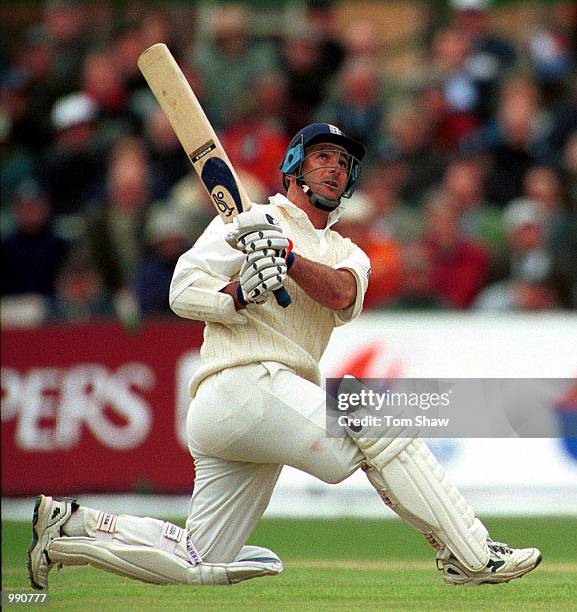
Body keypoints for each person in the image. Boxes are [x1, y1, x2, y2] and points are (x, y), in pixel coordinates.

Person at [28, 123, 541, 590]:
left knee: (199, 558)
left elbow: (341, 295)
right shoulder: (251, 221)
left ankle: (69, 529)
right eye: (321, 157)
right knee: (377, 420)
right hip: (241, 384)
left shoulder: (347, 252)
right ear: (294, 167)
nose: (334, 168)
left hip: (261, 406)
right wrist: (238, 293)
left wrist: (289, 259)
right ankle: (472, 553)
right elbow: (181, 289)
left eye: (342, 163)